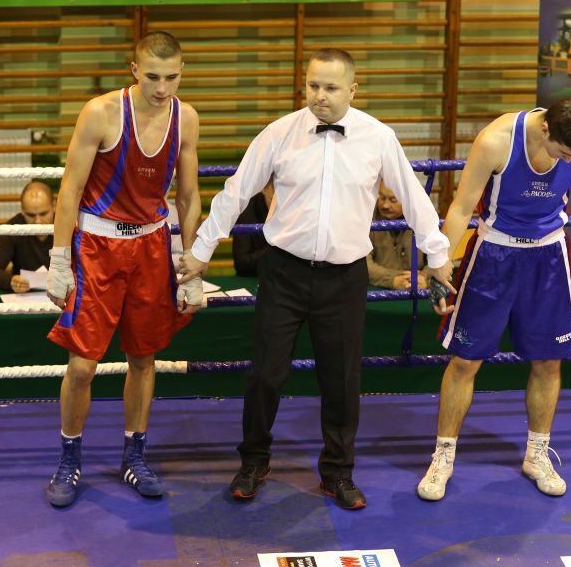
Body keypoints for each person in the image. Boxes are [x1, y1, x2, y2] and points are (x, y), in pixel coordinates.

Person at [178, 48, 452, 510]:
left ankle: (338, 472)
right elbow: (236, 192)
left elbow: (414, 199)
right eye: (313, 85)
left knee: (341, 380)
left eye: (330, 87)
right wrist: (201, 250)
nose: (319, 96)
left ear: (353, 90)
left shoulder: (378, 137)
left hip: (345, 278)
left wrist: (439, 256)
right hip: (283, 272)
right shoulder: (279, 133)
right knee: (265, 375)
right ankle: (253, 461)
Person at [43, 31, 202, 508]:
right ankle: (69, 458)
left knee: (143, 357)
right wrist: (59, 258)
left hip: (152, 246)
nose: (161, 88)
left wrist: (192, 265)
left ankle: (135, 456)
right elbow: (70, 189)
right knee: (82, 365)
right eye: (152, 77)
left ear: (182, 72)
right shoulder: (101, 112)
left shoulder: (186, 118)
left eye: (171, 78)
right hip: (97, 246)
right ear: (134, 70)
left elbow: (188, 196)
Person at [417, 98, 571, 502]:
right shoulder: (496, 140)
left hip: (549, 256)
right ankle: (443, 456)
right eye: (562, 151)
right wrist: (438, 265)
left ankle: (537, 454)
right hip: (494, 254)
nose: (567, 160)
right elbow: (461, 206)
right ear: (545, 129)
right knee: (465, 361)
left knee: (548, 361)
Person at [0, 181, 55, 292]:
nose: (38, 221)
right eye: (30, 215)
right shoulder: (13, 228)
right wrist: (12, 280)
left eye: (43, 214)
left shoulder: (67, 225)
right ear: (22, 210)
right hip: (25, 294)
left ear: (54, 205)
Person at [368, 181, 426, 290]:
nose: (385, 205)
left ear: (408, 200)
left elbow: (438, 257)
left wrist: (424, 277)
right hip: (378, 287)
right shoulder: (368, 218)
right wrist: (393, 279)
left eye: (393, 200)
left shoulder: (423, 218)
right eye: (382, 198)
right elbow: (364, 264)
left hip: (418, 285)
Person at [232, 182, 273, 276]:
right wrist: (276, 249)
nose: (277, 206)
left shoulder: (296, 210)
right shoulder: (246, 210)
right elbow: (241, 263)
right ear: (264, 188)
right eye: (272, 199)